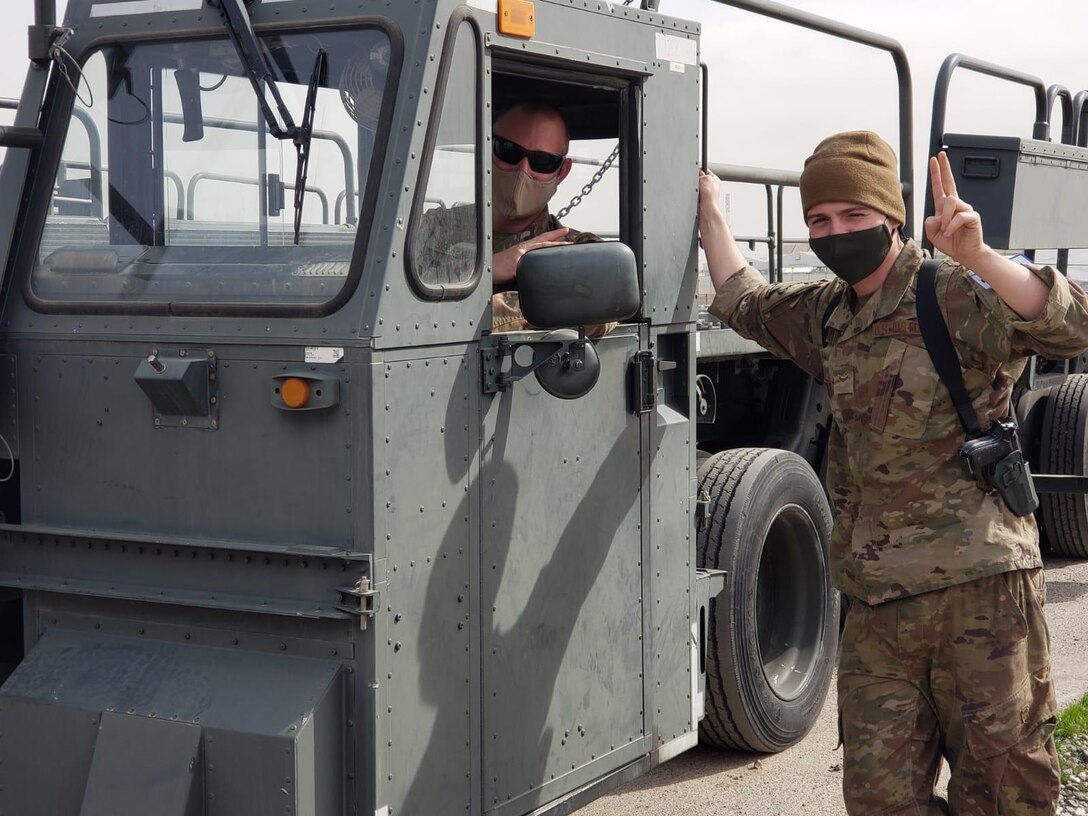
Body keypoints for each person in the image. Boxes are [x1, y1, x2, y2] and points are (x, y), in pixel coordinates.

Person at [698, 130, 1088, 816]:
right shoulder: (827, 314)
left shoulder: (956, 292)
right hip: (878, 606)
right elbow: (744, 300)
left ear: (891, 217)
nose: (836, 232)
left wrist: (979, 255)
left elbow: (1073, 325)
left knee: (1005, 795)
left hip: (982, 594)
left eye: (853, 216)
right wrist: (712, 215)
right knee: (878, 800)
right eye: (820, 220)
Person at [414, 100, 604, 333]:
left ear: (562, 171)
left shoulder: (579, 253)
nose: (523, 170)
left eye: (542, 162)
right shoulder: (431, 228)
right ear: (488, 148)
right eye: (509, 151)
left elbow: (603, 312)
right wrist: (488, 269)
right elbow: (391, 305)